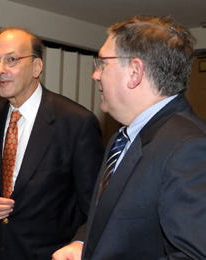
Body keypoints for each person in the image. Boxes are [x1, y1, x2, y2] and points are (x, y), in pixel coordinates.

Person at [52, 15, 206, 260]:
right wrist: (83, 243)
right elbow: (112, 218)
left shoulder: (189, 149)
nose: (95, 75)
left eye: (102, 63)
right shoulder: (121, 138)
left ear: (135, 72)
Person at [0, 27, 104, 260]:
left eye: (11, 60)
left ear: (37, 67)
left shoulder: (76, 123)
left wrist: (80, 244)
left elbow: (96, 205)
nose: (0, 70)